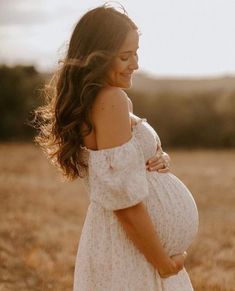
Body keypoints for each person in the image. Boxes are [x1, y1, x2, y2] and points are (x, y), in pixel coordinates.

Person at [33, 3, 199, 290]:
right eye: (125, 56)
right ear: (97, 58)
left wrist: (158, 160)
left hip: (129, 246)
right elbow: (123, 201)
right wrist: (163, 263)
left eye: (136, 53)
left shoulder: (99, 100)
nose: (135, 64)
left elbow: (120, 171)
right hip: (134, 252)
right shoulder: (111, 100)